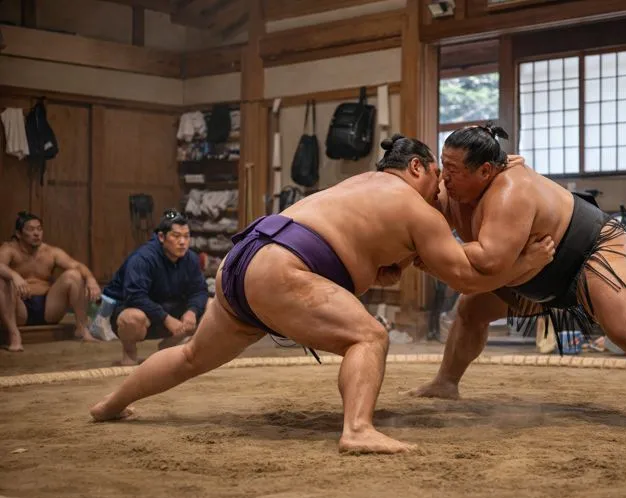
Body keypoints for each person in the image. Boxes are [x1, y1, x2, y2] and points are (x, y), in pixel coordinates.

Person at [89, 135, 555, 455]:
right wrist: (528, 265)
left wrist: (375, 272)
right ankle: (357, 430)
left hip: (245, 259)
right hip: (281, 267)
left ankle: (110, 405)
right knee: (369, 337)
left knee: (193, 355)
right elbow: (467, 280)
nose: (443, 187)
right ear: (417, 167)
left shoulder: (358, 186)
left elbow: (343, 256)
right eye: (440, 174)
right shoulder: (414, 206)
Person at [409, 124, 626, 438]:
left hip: (589, 250)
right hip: (532, 266)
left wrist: (434, 252)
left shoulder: (510, 191)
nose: (445, 178)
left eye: (454, 170)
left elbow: (486, 267)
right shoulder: (452, 190)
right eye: (443, 165)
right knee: (471, 311)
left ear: (485, 171)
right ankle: (446, 382)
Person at [101, 209, 209, 366]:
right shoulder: (142, 259)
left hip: (172, 311)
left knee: (211, 305)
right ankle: (129, 354)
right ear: (161, 237)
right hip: (140, 314)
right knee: (132, 318)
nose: (182, 242)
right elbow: (135, 296)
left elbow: (199, 290)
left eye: (186, 236)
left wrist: (192, 311)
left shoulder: (190, 258)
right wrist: (165, 318)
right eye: (176, 236)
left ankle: (169, 345)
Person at [0, 211, 100, 351]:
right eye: (31, 229)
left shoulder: (50, 252)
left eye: (39, 229)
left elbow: (77, 265)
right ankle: (14, 335)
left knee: (74, 275)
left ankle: (82, 329)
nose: (36, 233)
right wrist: (14, 276)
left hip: (48, 308)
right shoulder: (9, 249)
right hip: (20, 309)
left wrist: (91, 279)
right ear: (18, 233)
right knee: (2, 280)